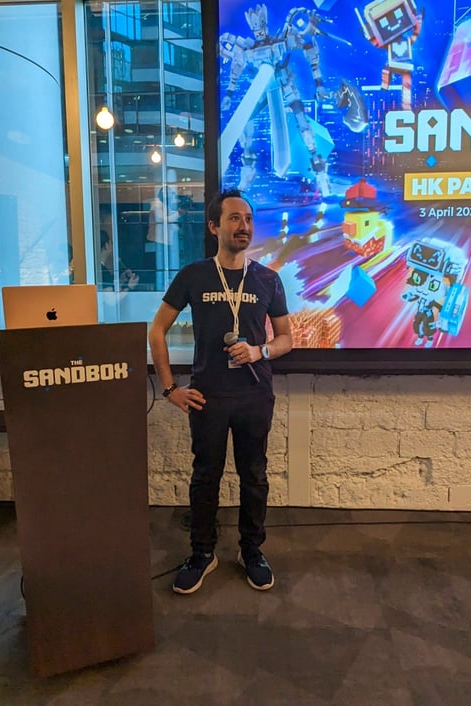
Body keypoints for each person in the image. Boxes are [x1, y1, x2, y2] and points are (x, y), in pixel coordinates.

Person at [148, 188, 292, 594]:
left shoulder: (267, 279)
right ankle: (202, 553)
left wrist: (259, 350)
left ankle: (252, 552)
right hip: (207, 396)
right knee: (205, 478)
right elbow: (156, 330)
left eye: (248, 219)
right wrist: (170, 389)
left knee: (254, 476)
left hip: (254, 396)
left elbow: (286, 339)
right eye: (234, 218)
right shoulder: (193, 275)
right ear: (214, 227)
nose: (243, 226)